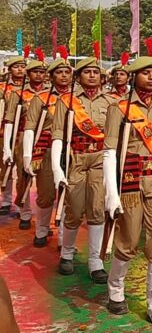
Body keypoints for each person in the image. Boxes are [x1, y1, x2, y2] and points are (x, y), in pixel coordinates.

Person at [103, 39, 152, 329]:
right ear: (134, 76)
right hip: (130, 179)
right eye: (146, 72)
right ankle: (115, 288)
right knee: (129, 240)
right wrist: (111, 193)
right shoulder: (119, 108)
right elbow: (110, 151)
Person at [51, 47, 114, 282]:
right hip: (76, 158)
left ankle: (95, 261)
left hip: (99, 159)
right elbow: (58, 135)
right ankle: (67, 254)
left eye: (95, 72)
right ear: (78, 77)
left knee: (97, 210)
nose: (92, 76)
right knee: (75, 210)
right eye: (87, 72)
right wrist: (57, 168)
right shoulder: (67, 101)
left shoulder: (111, 102)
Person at [22, 47, 71, 248]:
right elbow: (30, 128)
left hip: (72, 152)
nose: (64, 75)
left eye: (67, 72)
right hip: (47, 151)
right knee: (46, 195)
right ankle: (42, 229)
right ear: (51, 76)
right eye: (59, 72)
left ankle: (63, 239)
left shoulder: (77, 98)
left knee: (69, 196)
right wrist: (27, 156)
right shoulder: (41, 98)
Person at [3, 48, 47, 229]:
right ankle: (25, 212)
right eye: (35, 71)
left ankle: (43, 222)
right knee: (23, 175)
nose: (39, 75)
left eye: (42, 72)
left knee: (45, 179)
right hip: (23, 137)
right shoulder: (18, 93)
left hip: (45, 139)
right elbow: (9, 120)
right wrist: (7, 146)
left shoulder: (50, 93)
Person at [0, 54, 26, 216]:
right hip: (5, 133)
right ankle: (6, 200)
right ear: (10, 70)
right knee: (5, 168)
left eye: (22, 67)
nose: (20, 70)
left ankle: (21, 206)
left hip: (23, 133)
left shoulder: (31, 89)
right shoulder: (3, 88)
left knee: (23, 170)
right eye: (16, 67)